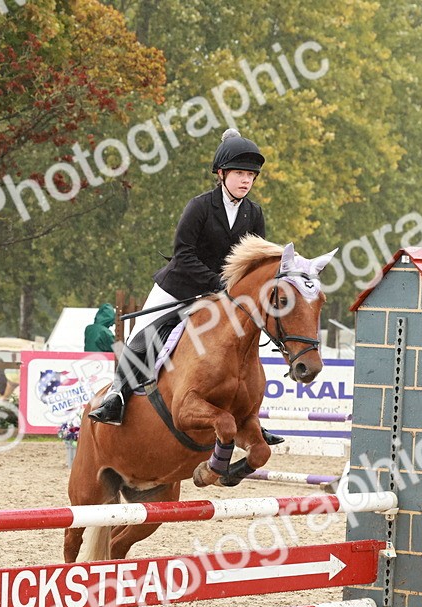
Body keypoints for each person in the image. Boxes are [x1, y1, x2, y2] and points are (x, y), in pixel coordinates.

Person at [90, 128, 281, 448]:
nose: (246, 180)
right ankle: (116, 397)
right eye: (239, 173)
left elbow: (256, 259)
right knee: (145, 334)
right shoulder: (201, 206)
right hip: (180, 285)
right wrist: (217, 283)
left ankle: (251, 418)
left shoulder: (254, 213)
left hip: (224, 295)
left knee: (245, 341)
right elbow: (184, 253)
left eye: (251, 175)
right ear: (222, 174)